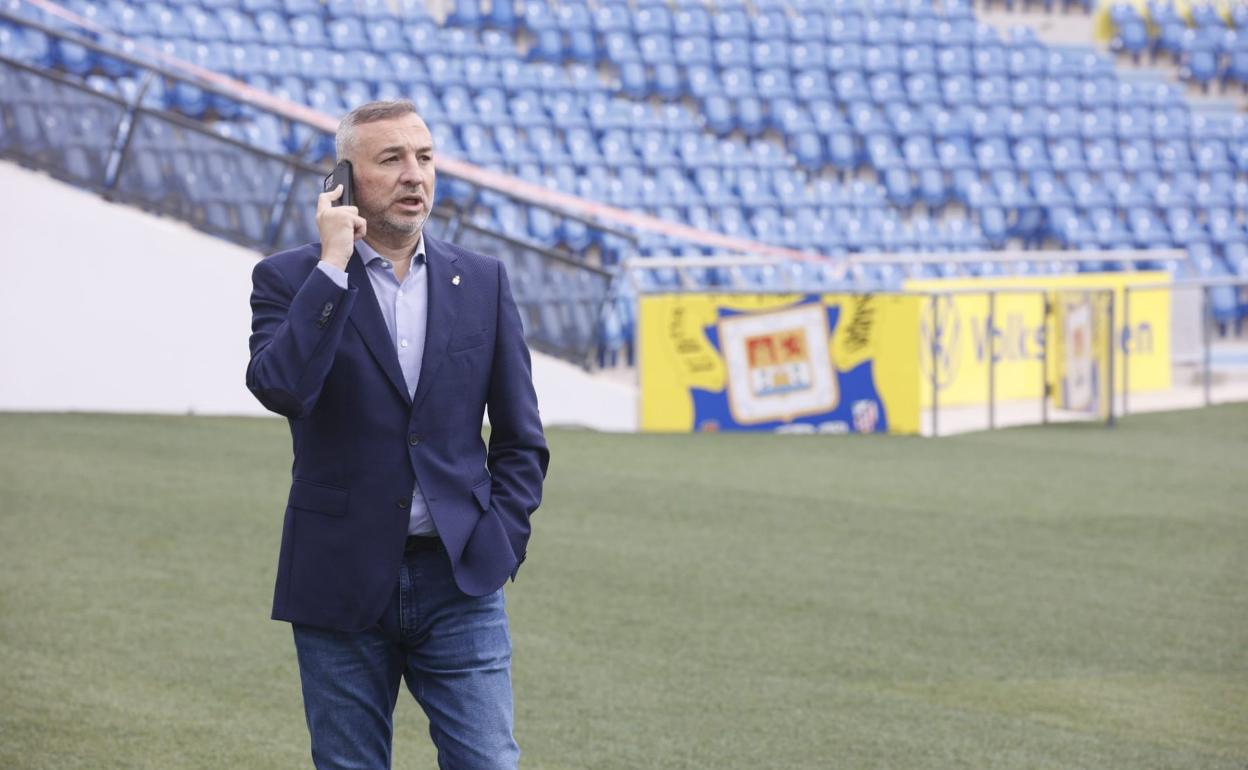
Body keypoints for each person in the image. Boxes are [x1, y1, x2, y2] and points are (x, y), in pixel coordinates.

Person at [246, 100, 549, 770]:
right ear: (344, 180)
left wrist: (501, 540)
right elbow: (282, 388)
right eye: (392, 160)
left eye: (425, 158)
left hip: (459, 579)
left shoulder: (484, 281)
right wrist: (332, 265)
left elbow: (522, 438)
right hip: (339, 574)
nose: (415, 175)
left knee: (489, 762)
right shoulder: (289, 279)